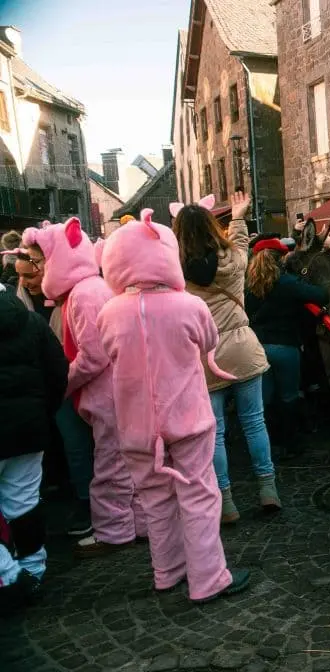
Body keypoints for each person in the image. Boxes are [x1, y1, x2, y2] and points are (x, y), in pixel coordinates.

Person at [97, 209, 250, 604]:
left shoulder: (109, 313)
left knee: (155, 499)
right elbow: (208, 340)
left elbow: (105, 354)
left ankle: (167, 572)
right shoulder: (188, 306)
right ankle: (209, 578)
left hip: (135, 425)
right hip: (188, 418)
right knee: (199, 495)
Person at [21, 218, 149, 557]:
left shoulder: (84, 294)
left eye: (39, 262)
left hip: (107, 393)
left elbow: (94, 355)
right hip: (111, 391)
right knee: (121, 463)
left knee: (110, 465)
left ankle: (114, 531)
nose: (38, 268)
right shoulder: (85, 290)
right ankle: (137, 525)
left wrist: (62, 382)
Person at [172, 191, 277, 523]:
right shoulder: (232, 259)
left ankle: (226, 502)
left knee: (215, 433)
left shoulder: (176, 270)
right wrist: (238, 216)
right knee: (254, 422)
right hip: (242, 347)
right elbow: (242, 246)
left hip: (205, 356)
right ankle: (267, 489)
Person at [9, 242, 95, 537]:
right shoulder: (22, 303)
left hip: (67, 382)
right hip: (50, 387)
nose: (24, 282)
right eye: (19, 276)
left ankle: (87, 500)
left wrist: (61, 383)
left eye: (29, 275)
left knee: (79, 444)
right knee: (70, 445)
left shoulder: (67, 298)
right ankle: (76, 491)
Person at [0, 281, 68, 612]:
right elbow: (58, 370)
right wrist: (42, 412)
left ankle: (10, 576)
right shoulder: (30, 321)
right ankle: (32, 572)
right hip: (28, 429)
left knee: (21, 503)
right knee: (23, 504)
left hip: (28, 425)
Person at [245, 238, 329, 458]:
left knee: (265, 400)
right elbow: (321, 295)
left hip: (258, 348)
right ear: (279, 259)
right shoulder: (287, 282)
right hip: (285, 347)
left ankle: (269, 445)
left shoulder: (248, 284)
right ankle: (292, 444)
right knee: (289, 397)